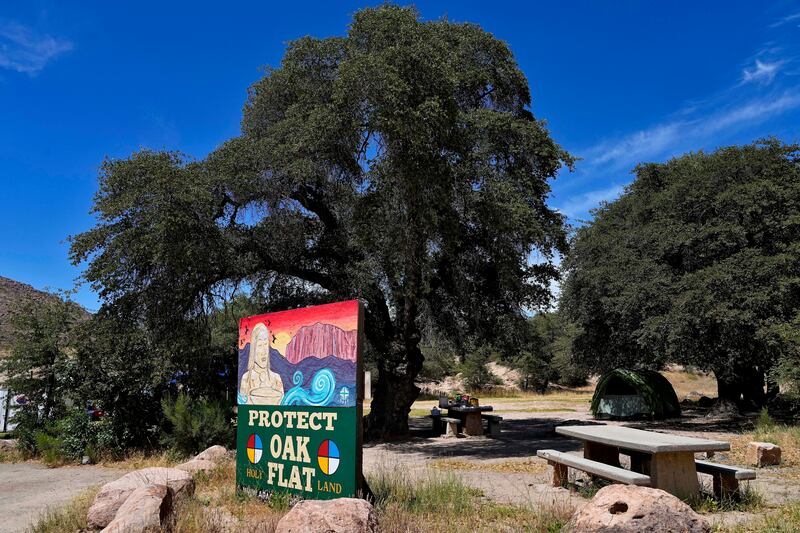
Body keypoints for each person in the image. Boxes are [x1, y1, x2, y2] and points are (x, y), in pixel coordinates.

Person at [239, 323, 285, 405]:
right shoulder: (246, 379)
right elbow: (244, 409)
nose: (264, 351)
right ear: (253, 349)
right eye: (260, 345)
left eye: (266, 344)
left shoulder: (276, 379)